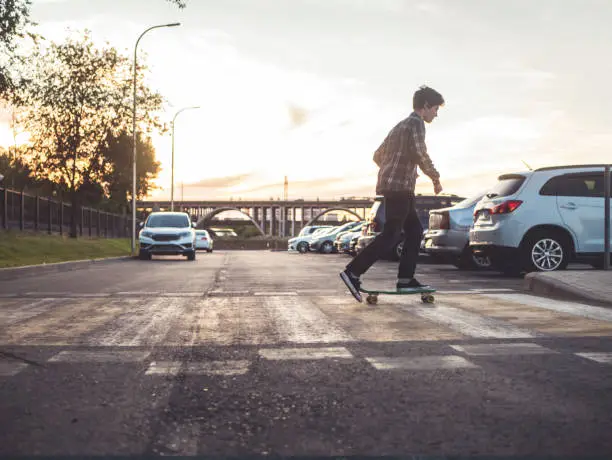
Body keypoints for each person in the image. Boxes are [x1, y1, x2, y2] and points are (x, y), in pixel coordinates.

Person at [340, 85, 444, 302]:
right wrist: (434, 177)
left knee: (414, 231)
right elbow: (420, 152)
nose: (436, 114)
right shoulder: (416, 123)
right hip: (399, 188)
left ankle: (405, 279)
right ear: (425, 106)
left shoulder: (399, 126)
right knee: (392, 234)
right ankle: (353, 272)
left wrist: (393, 170)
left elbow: (378, 155)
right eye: (435, 109)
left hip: (395, 186)